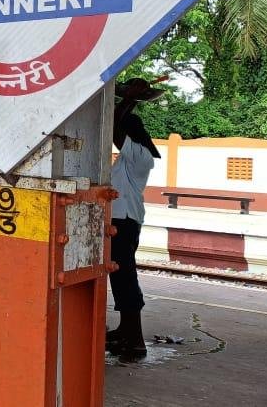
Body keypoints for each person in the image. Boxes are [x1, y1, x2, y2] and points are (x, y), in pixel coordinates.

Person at [106, 79, 161, 363]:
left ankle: (136, 341)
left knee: (125, 278)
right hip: (123, 219)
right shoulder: (130, 158)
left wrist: (129, 99)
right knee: (120, 277)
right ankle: (125, 331)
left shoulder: (141, 156)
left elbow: (114, 125)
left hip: (124, 220)